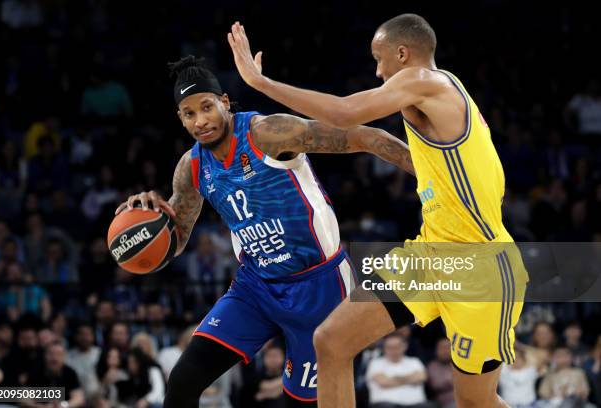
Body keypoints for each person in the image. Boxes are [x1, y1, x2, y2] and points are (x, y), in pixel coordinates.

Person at [228, 13, 528, 408]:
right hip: (432, 253)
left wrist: (261, 83)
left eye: (379, 58)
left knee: (476, 403)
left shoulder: (424, 80)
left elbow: (344, 112)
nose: (377, 70)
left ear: (402, 53)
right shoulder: (441, 93)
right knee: (331, 341)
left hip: (480, 266)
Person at [115, 55, 414, 407]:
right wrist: (155, 220)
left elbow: (363, 136)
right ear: (180, 119)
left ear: (224, 103)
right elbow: (175, 242)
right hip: (255, 287)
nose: (201, 121)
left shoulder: (266, 133)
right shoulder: (191, 167)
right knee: (182, 381)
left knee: (301, 402)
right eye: (189, 113)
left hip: (318, 285)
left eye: (207, 107)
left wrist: (437, 177)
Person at [365, 333, 430, 408]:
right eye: (389, 347)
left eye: (397, 347)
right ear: (384, 348)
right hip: (385, 405)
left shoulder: (414, 361)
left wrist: (394, 379)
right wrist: (410, 378)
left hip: (417, 405)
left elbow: (422, 377)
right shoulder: (375, 363)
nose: (393, 350)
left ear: (404, 346)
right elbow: (384, 382)